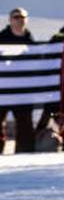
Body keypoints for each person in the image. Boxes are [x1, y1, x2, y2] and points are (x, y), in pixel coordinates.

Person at [0, 8, 40, 153]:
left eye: (22, 17)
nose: (19, 19)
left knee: (25, 124)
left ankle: (25, 152)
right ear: (10, 20)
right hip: (2, 88)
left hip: (23, 89)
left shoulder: (30, 41)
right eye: (16, 17)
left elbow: (37, 62)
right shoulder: (1, 38)